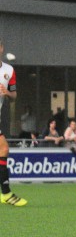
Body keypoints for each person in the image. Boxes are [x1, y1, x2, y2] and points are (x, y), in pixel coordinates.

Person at [0, 39, 27, 206]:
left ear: (1, 48)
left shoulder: (9, 70)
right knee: (3, 148)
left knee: (3, 149)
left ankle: (6, 193)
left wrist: (6, 94)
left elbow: (14, 95)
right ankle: (6, 193)